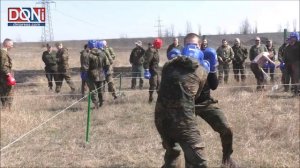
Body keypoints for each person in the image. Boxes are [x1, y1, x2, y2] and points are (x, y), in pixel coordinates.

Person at [155, 33, 209, 167]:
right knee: (199, 163)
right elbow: (196, 95)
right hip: (183, 122)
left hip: (161, 119)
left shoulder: (168, 66)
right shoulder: (200, 70)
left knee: (173, 154)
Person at [195, 47, 238, 168]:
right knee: (187, 136)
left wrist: (211, 68)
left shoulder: (205, 62)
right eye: (189, 44)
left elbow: (214, 86)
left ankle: (227, 159)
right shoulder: (180, 64)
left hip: (205, 103)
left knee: (226, 129)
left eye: (195, 45)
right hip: (186, 105)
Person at [86, 40, 108, 108]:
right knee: (100, 89)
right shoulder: (103, 53)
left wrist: (84, 73)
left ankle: (96, 105)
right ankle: (101, 102)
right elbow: (107, 64)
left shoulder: (88, 54)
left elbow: (86, 66)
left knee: (93, 90)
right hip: (101, 74)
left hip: (91, 74)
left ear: (89, 46)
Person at [143, 38, 162, 103]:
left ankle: (160, 100)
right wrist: (146, 70)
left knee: (159, 85)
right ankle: (150, 99)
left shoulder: (156, 50)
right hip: (152, 70)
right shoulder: (151, 51)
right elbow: (147, 61)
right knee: (153, 85)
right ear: (158, 44)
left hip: (157, 70)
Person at [0, 38, 16, 111]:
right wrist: (8, 74)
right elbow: (2, 65)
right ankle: (7, 109)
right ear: (7, 45)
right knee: (8, 93)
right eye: (11, 45)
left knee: (4, 92)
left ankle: (5, 108)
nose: (12, 46)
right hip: (5, 77)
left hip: (3, 76)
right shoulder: (3, 53)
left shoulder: (3, 52)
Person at [283, 32, 300, 96]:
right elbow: (286, 57)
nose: (292, 38)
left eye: (293, 37)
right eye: (291, 37)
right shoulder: (288, 47)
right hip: (294, 65)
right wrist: (283, 62)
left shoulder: (298, 44)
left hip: (297, 64)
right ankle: (296, 92)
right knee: (296, 78)